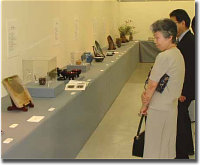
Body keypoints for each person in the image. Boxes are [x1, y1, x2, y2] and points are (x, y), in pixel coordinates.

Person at [140, 18, 185, 159]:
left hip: (158, 108)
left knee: (154, 146)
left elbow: (152, 84)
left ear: (170, 37)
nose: (155, 41)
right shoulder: (177, 54)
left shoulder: (164, 56)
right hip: (171, 107)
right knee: (167, 144)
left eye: (157, 37)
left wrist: (144, 104)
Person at [170, 9, 195, 159]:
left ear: (183, 23)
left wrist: (183, 92)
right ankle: (187, 148)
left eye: (174, 23)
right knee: (183, 118)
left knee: (181, 117)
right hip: (184, 89)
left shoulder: (189, 42)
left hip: (186, 90)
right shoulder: (183, 40)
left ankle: (183, 153)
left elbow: (190, 71)